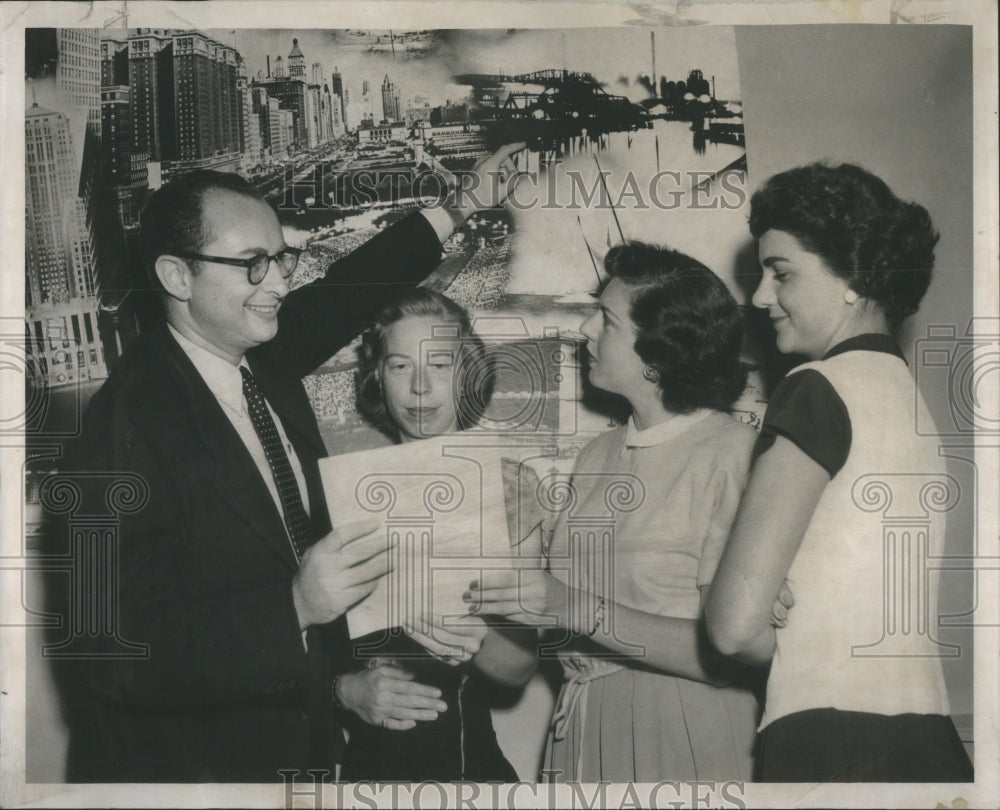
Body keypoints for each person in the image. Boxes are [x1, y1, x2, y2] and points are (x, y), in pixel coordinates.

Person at [45, 144, 525, 782]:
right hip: (202, 776)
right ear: (177, 277)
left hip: (306, 759)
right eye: (252, 264)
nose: (278, 282)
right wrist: (294, 606)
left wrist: (460, 205)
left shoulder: (256, 356)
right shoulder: (118, 431)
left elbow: (346, 292)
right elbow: (108, 652)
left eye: (279, 259)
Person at [704, 162, 974, 782]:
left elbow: (729, 628)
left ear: (851, 277)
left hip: (828, 741)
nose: (760, 297)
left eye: (782, 273)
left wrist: (749, 595)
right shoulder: (908, 400)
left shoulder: (815, 388)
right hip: (928, 741)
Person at [473, 243, 760, 782]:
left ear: (661, 351)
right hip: (581, 726)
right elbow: (548, 621)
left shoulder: (734, 453)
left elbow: (732, 654)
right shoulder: (596, 455)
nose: (584, 329)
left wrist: (572, 606)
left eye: (605, 319)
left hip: (686, 729)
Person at [334, 288, 537, 782]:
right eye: (401, 366)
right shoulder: (337, 491)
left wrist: (473, 636)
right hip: (370, 778)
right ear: (377, 376)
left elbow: (518, 667)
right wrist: (343, 690)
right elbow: (290, 647)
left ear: (466, 374)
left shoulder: (509, 488)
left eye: (440, 365)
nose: (420, 388)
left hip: (470, 771)